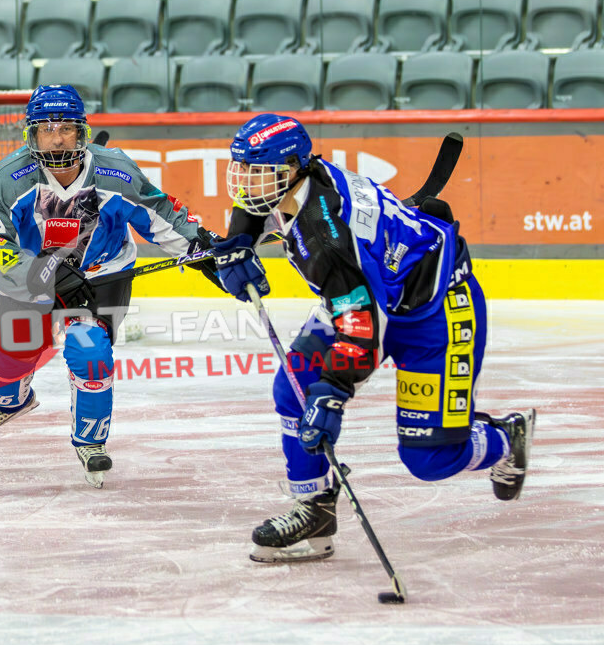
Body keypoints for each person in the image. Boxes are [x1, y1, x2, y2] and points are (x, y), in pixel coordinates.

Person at [210, 113, 535, 563]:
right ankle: (313, 509)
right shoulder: (303, 179)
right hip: (372, 294)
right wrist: (238, 244)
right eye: (242, 168)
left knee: (430, 459)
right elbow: (252, 207)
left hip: (436, 313)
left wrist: (333, 391)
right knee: (295, 386)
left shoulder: (325, 236)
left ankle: (504, 437)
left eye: (258, 170)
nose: (246, 180)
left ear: (292, 169)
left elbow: (364, 328)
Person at [0, 84, 220, 488]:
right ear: (31, 134)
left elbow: (162, 216)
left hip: (101, 275)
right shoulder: (6, 180)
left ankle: (91, 441)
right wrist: (40, 273)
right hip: (32, 280)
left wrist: (201, 247)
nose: (57, 139)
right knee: (13, 351)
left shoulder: (116, 171)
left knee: (91, 352)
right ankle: (11, 401)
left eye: (66, 128)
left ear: (81, 131)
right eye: (46, 129)